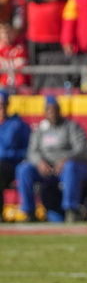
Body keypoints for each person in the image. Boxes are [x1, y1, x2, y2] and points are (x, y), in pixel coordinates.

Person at [15, 95, 87, 222]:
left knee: (70, 167)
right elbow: (31, 152)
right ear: (45, 112)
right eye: (49, 110)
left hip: (67, 167)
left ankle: (71, 210)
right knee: (23, 169)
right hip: (47, 169)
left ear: (59, 110)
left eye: (54, 109)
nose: (52, 113)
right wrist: (39, 162)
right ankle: (29, 212)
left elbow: (82, 149)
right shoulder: (40, 130)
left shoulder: (71, 127)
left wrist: (65, 159)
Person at [0, 90, 30, 220]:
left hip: (11, 164)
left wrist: (10, 154)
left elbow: (28, 150)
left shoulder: (18, 125)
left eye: (2, 105)